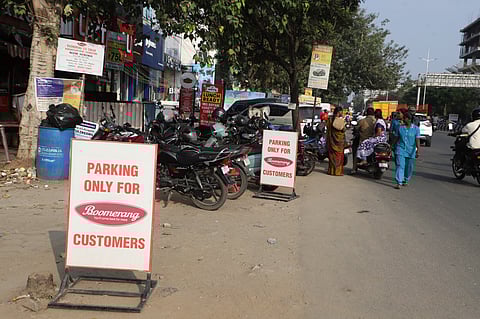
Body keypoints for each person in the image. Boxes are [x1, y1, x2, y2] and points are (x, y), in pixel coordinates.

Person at [392, 112, 420, 189]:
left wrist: (418, 150)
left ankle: (406, 179)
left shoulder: (416, 129)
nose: (403, 119)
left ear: (409, 119)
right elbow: (396, 138)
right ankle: (399, 182)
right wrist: (392, 146)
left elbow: (417, 140)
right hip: (400, 148)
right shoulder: (400, 128)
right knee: (400, 165)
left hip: (411, 151)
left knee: (409, 166)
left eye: (405, 118)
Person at [351, 107, 376, 173]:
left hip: (363, 141)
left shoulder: (363, 121)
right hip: (374, 142)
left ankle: (354, 169)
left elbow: (356, 129)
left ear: (366, 113)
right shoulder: (376, 121)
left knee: (355, 150)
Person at [326, 106, 346, 176]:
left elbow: (328, 128)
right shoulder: (341, 119)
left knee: (332, 156)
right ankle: (337, 172)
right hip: (339, 142)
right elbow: (343, 129)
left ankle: (331, 171)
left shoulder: (330, 119)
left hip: (332, 141)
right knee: (339, 157)